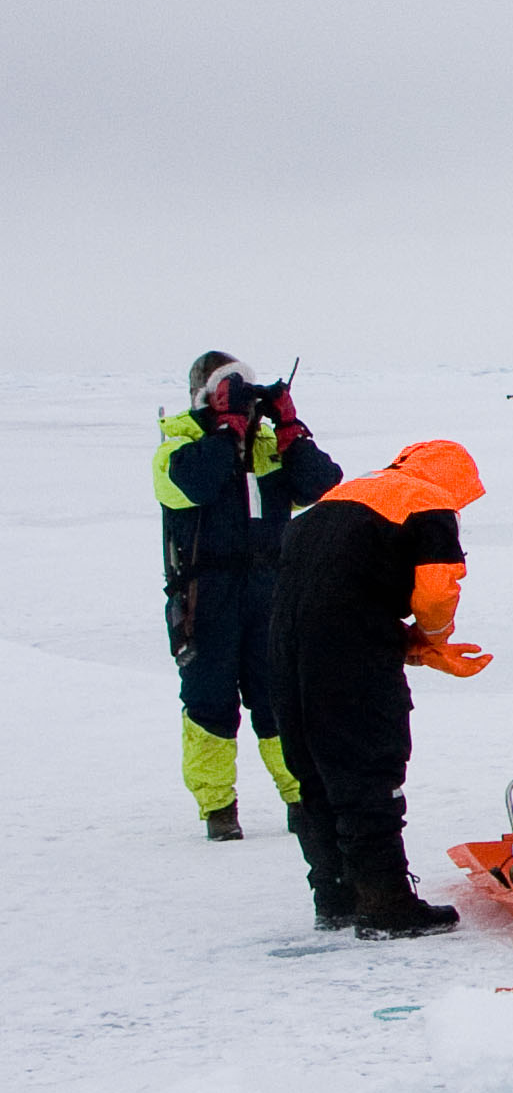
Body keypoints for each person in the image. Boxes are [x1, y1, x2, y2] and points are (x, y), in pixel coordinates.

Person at [270, 439, 491, 937]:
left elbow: (339, 589)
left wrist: (404, 644)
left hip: (285, 649)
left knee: (317, 773)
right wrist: (433, 640)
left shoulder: (336, 499)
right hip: (351, 658)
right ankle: (385, 904)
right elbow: (436, 588)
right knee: (367, 767)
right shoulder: (428, 501)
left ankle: (335, 895)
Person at [155, 353, 341, 840]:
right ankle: (219, 808)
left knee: (280, 698)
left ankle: (301, 798)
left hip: (269, 590)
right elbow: (191, 485)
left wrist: (289, 427)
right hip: (205, 594)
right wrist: (222, 433)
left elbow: (321, 485)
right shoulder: (178, 444)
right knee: (208, 704)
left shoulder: (265, 446)